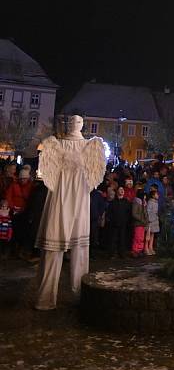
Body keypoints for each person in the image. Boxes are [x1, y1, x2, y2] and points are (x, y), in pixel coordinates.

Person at [34, 115, 106, 311]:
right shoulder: (56, 144)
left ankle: (76, 296)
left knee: (78, 249)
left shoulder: (90, 145)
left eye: (78, 122)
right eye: (74, 122)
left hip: (76, 197)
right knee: (54, 249)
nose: (75, 124)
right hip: (63, 197)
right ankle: (47, 298)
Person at [6, 166, 34, 255]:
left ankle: (20, 248)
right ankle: (13, 248)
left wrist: (24, 209)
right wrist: (12, 207)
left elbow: (31, 200)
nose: (23, 180)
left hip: (24, 212)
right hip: (14, 211)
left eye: (24, 179)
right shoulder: (14, 185)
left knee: (23, 230)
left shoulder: (31, 186)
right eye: (21, 179)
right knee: (13, 230)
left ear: (28, 178)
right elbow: (8, 197)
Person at [108, 186, 131, 258]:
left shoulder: (126, 202)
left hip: (123, 223)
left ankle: (122, 253)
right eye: (120, 189)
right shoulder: (113, 202)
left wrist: (126, 220)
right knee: (113, 239)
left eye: (123, 189)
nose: (122, 191)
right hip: (114, 223)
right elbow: (110, 212)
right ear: (117, 191)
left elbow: (129, 212)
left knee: (122, 239)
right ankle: (112, 253)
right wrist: (112, 220)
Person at [131, 188, 147, 256]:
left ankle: (140, 250)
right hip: (138, 223)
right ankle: (135, 250)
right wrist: (141, 219)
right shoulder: (136, 202)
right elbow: (134, 213)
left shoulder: (143, 203)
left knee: (141, 237)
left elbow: (145, 212)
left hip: (143, 223)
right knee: (137, 237)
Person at [145, 189, 159, 255]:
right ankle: (146, 248)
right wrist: (150, 219)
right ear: (153, 196)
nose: (158, 195)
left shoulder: (156, 202)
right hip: (150, 220)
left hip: (155, 220)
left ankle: (150, 247)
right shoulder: (150, 202)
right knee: (148, 235)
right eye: (156, 194)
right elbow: (148, 211)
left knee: (152, 234)